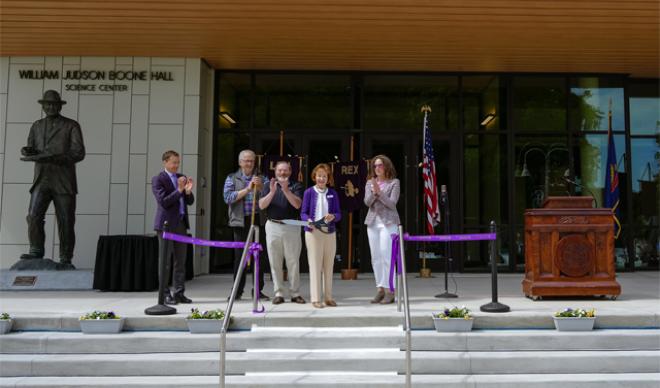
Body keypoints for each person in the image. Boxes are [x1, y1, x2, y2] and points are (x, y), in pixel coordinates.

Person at [20, 90, 86, 266]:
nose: (50, 107)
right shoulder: (37, 125)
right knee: (33, 216)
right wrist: (28, 151)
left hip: (63, 180)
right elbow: (32, 147)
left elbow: (78, 153)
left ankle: (65, 257)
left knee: (65, 220)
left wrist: (53, 157)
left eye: (54, 104)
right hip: (41, 179)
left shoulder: (71, 125)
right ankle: (36, 250)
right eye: (47, 104)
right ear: (42, 106)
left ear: (59, 106)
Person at [223, 149, 269, 301]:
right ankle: (237, 291)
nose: (249, 163)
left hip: (258, 221)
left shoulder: (262, 178)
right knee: (240, 258)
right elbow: (228, 198)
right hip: (240, 222)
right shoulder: (232, 178)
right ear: (240, 162)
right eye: (246, 160)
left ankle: (257, 290)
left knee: (259, 258)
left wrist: (261, 188)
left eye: (251, 161)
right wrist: (247, 189)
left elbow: (270, 196)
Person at [258, 160, 305, 305]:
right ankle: (278, 293)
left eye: (285, 170)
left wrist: (286, 190)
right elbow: (261, 205)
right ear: (275, 172)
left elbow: (297, 204)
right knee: (275, 261)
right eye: (279, 170)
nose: (282, 173)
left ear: (290, 172)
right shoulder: (268, 186)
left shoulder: (296, 185)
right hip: (273, 226)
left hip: (292, 225)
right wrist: (272, 192)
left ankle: (295, 293)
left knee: (293, 261)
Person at [152, 150, 195, 305]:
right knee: (165, 261)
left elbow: (189, 201)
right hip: (166, 225)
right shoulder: (158, 179)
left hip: (181, 224)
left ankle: (179, 292)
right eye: (173, 162)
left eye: (178, 162)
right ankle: (164, 294)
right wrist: (179, 190)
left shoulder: (180, 177)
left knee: (180, 261)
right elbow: (164, 201)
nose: (176, 165)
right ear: (165, 162)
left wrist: (188, 192)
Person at [300, 163, 342, 309]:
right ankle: (316, 298)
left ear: (328, 178)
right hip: (313, 232)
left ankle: (328, 297)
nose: (321, 178)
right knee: (315, 265)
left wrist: (333, 217)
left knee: (329, 266)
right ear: (314, 177)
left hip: (329, 232)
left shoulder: (333, 193)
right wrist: (308, 220)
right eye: (319, 176)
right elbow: (303, 212)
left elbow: (339, 214)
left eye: (324, 176)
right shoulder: (308, 192)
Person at [364, 155, 400, 304]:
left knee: (387, 257)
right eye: (375, 166)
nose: (377, 168)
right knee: (376, 258)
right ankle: (380, 289)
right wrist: (374, 192)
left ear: (386, 167)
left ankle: (390, 290)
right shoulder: (369, 183)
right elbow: (367, 202)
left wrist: (380, 192)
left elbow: (392, 204)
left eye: (380, 165)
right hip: (373, 223)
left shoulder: (394, 182)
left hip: (389, 223)